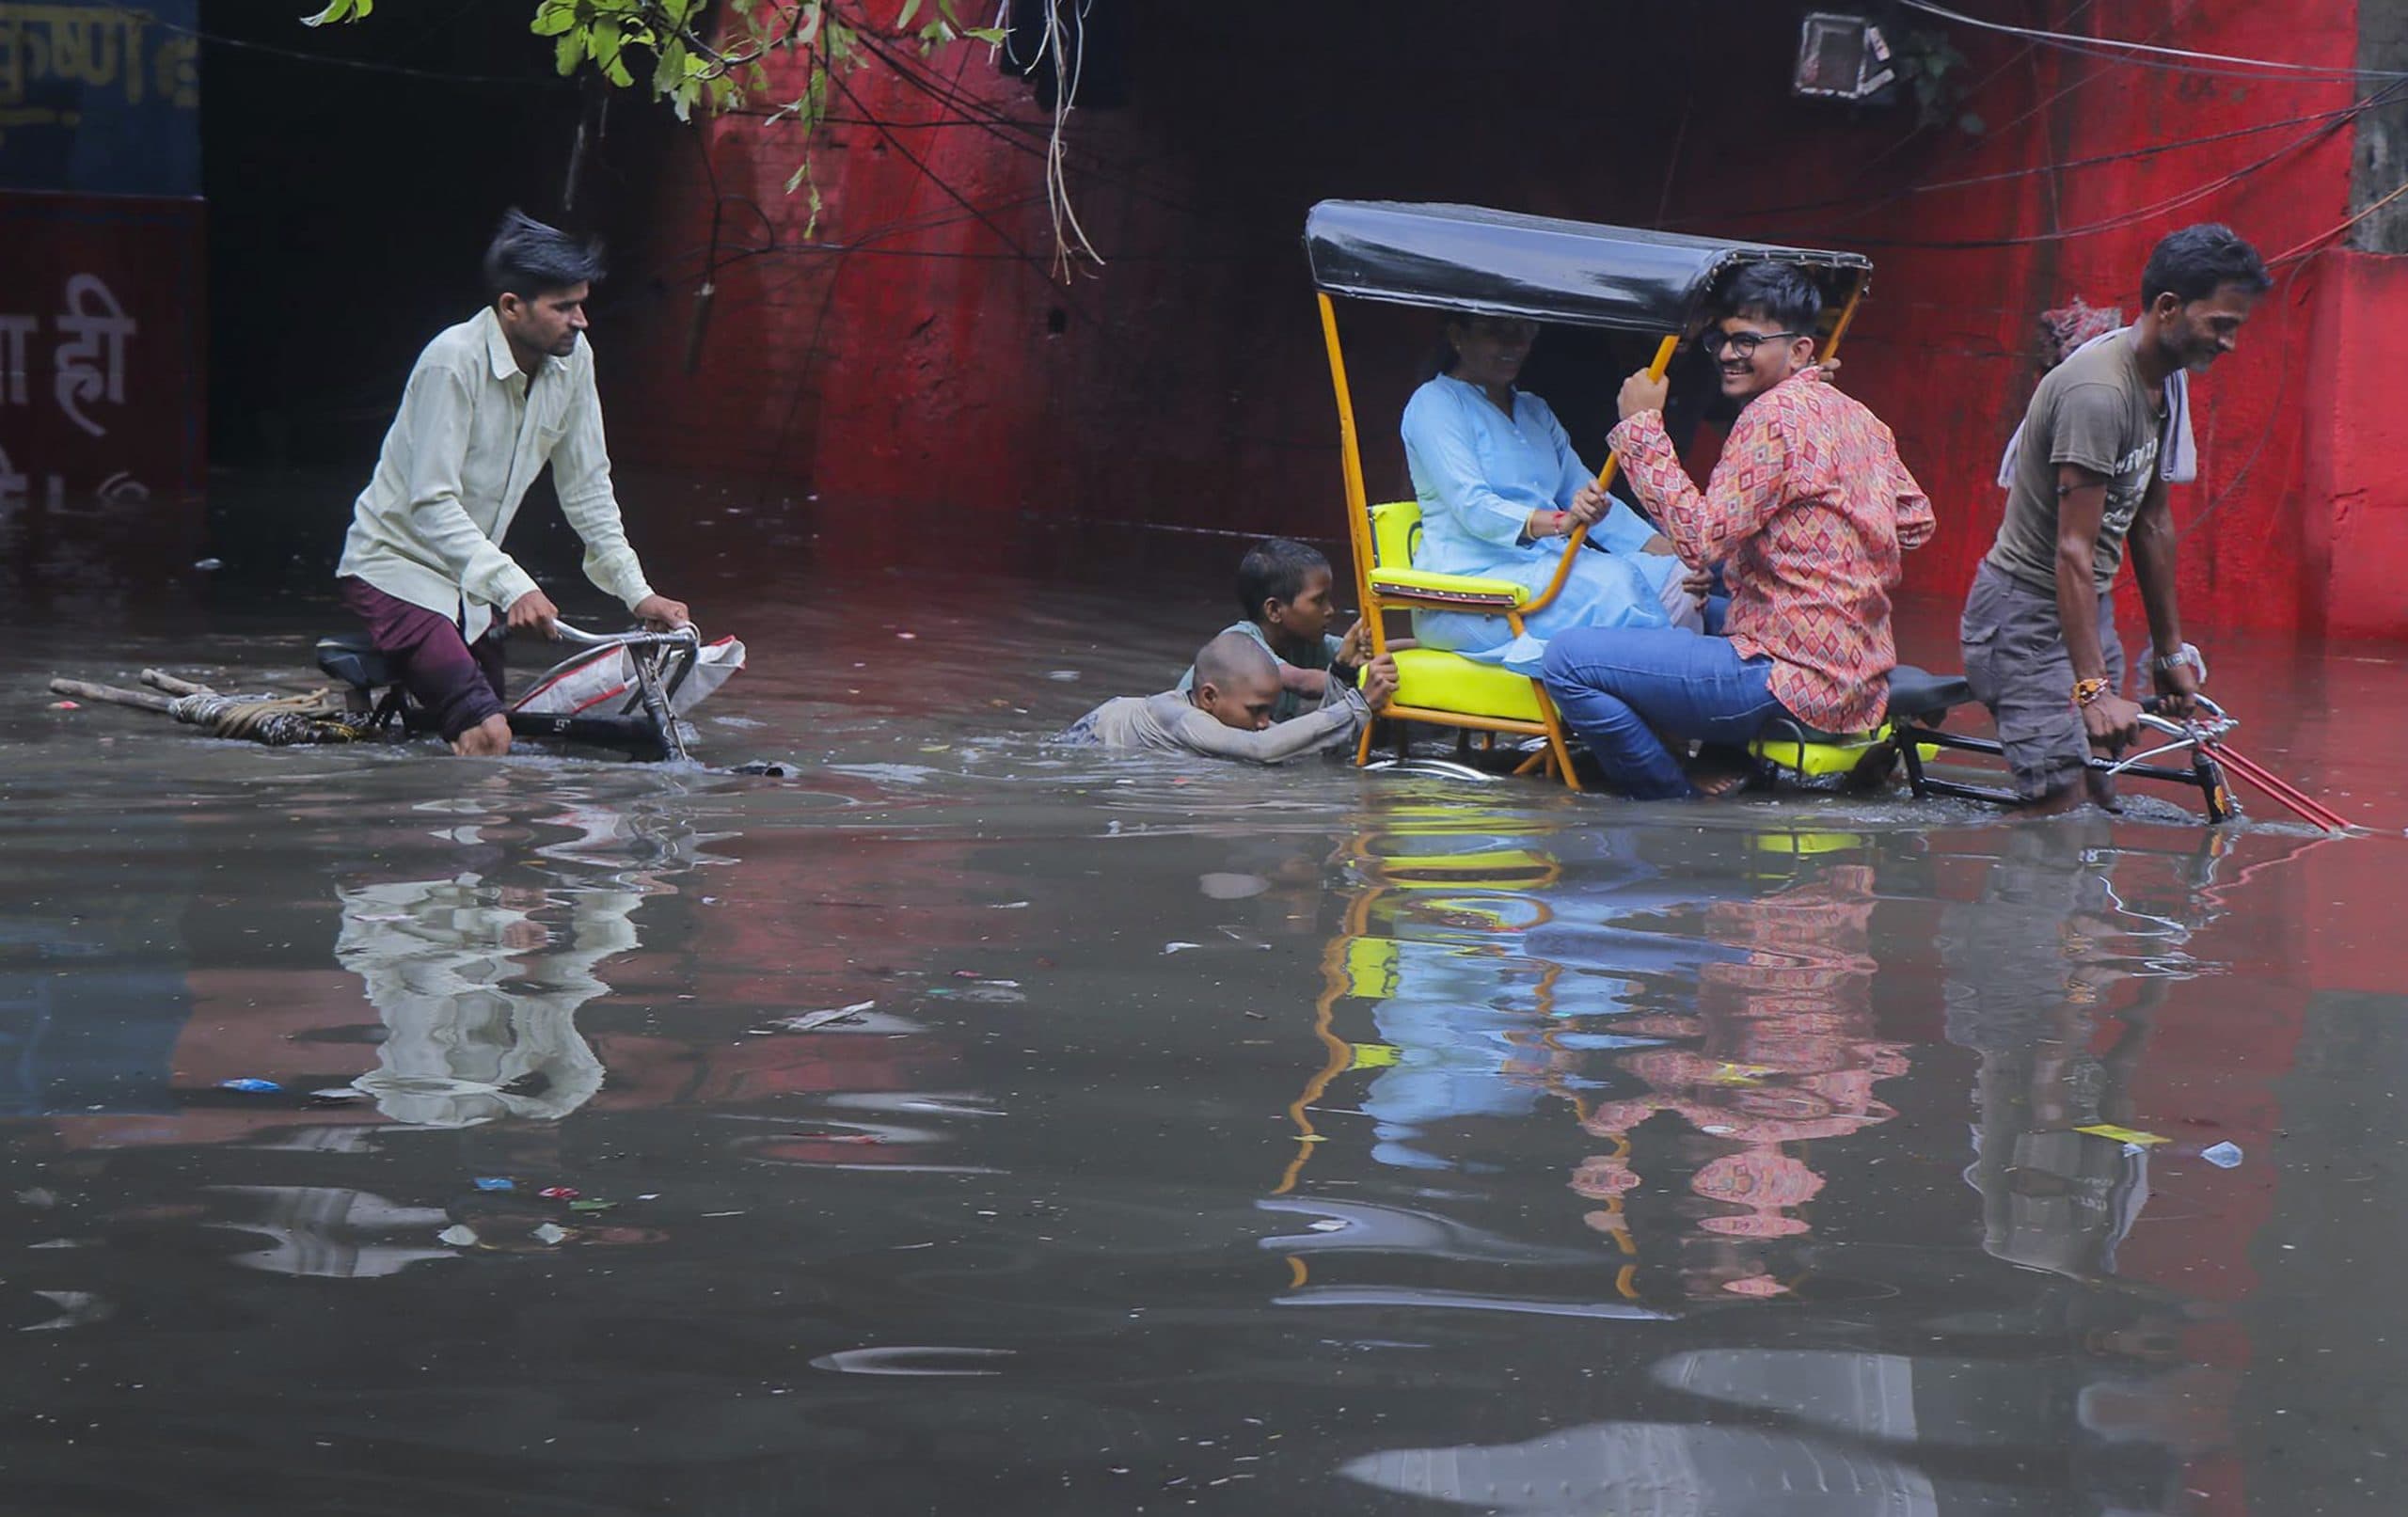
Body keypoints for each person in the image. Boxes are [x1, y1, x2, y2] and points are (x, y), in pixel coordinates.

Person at [1540, 263, 1934, 799]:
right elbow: (1913, 522)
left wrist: (1640, 430)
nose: (1728, 355)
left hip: (1789, 676)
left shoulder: (1770, 417)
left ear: (1799, 351)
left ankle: (1672, 800)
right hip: (1855, 668)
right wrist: (1770, 556)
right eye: (1722, 341)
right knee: (1708, 597)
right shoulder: (1858, 415)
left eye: (1747, 341)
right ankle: (1711, 754)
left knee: (1566, 661)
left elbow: (1700, 541)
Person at [336, 210, 693, 758]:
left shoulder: (573, 363)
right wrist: (514, 586)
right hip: (396, 571)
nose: (581, 321)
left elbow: (588, 488)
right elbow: (431, 504)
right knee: (487, 733)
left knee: (498, 726)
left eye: (582, 303)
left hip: (471, 588)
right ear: (510, 306)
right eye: (564, 307)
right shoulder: (452, 362)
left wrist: (637, 591)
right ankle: (454, 841)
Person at [1961, 224, 2267, 811]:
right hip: (2024, 618)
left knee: (2102, 788)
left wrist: (2170, 655)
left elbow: (2151, 523)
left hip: (2085, 611)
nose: (2229, 344)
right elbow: (2071, 551)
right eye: (2220, 325)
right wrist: (2094, 691)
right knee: (2063, 809)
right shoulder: (2098, 392)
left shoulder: (2165, 380)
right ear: (2169, 308)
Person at [1399, 313, 1701, 674]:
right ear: (1457, 336)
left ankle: (1658, 703)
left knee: (1680, 581)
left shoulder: (1533, 409)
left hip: (1547, 570)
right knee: (1612, 584)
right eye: (1497, 332)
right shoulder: (1434, 402)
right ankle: (1646, 697)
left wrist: (1677, 551)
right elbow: (1474, 507)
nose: (1513, 345)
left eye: (1522, 332)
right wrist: (1562, 521)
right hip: (1469, 589)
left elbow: (1591, 494)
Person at [1061, 632, 1398, 763]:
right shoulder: (1182, 718)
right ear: (1209, 697)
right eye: (1257, 711)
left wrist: (1341, 672)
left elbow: (1298, 746)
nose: (1265, 722)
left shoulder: (1223, 713)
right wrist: (1360, 703)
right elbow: (1262, 748)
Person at [1175, 538, 1371, 723]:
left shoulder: (1303, 642)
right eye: (1318, 601)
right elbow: (1302, 682)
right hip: (1185, 737)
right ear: (1274, 610)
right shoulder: (1241, 646)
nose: (1330, 610)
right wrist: (1361, 682)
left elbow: (1357, 648)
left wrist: (1383, 643)